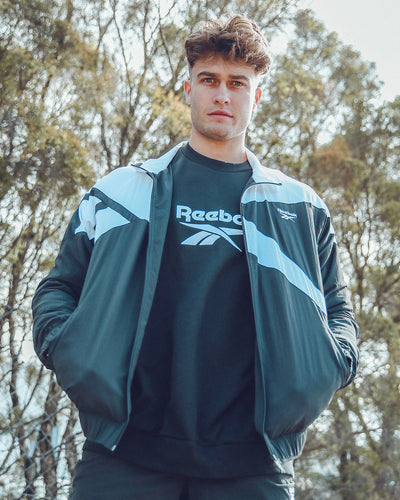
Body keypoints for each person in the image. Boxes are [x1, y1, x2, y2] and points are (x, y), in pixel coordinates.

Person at [32, 15, 359, 500]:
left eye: (237, 83)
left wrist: (336, 362)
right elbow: (59, 286)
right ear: (188, 89)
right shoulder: (122, 192)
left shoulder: (301, 208)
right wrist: (66, 350)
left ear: (256, 96)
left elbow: (336, 306)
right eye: (209, 80)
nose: (222, 95)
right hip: (124, 453)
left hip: (253, 464)